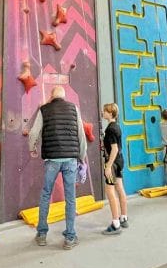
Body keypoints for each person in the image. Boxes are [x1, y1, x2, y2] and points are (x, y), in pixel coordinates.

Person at [28, 86, 88, 250]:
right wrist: (82, 157)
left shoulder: (44, 110)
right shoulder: (73, 108)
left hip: (52, 160)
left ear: (51, 96)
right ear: (64, 96)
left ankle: (41, 234)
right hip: (70, 160)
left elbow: (34, 133)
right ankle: (70, 237)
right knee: (70, 198)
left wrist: (32, 148)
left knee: (46, 194)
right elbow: (81, 135)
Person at [100, 102, 128, 235]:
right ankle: (123, 217)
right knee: (120, 188)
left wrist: (108, 166)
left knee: (110, 191)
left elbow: (114, 149)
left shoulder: (110, 129)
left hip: (113, 163)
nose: (103, 112)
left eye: (105, 111)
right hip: (119, 161)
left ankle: (115, 224)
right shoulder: (116, 126)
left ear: (110, 113)